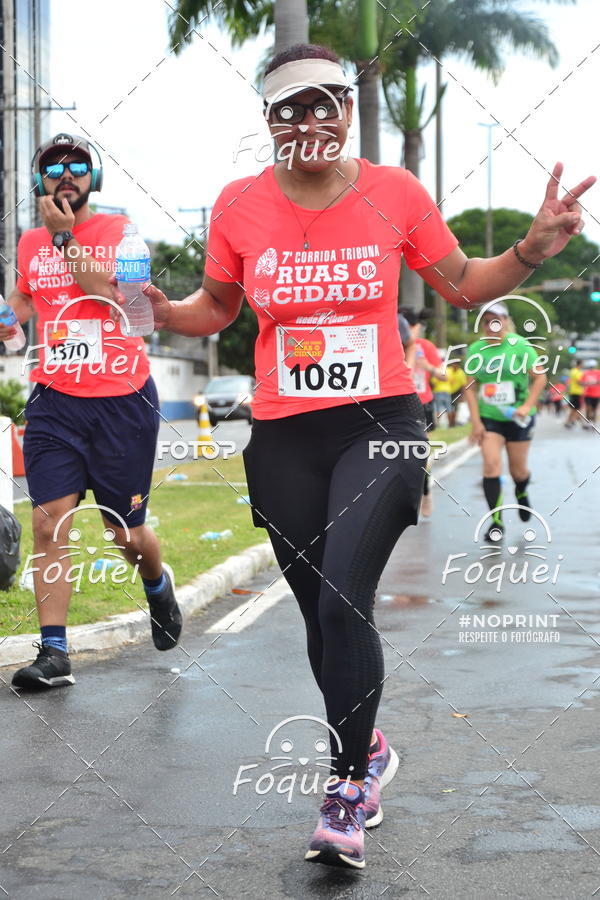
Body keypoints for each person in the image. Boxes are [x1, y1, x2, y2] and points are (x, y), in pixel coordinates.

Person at [113, 44, 594, 870]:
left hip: (382, 424)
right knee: (322, 619)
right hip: (284, 436)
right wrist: (163, 308)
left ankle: (345, 787)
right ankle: (366, 746)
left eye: (325, 101)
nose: (310, 120)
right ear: (268, 121)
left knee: (342, 600)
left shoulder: (394, 193)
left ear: (345, 106)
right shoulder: (237, 205)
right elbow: (217, 308)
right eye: (290, 107)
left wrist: (530, 251)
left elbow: (463, 285)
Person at [2, 133, 182, 692]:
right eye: (52, 168)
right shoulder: (31, 242)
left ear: (93, 177)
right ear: (39, 181)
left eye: (77, 166)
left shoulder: (120, 233)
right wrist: (8, 319)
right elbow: (26, 304)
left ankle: (157, 582)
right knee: (47, 520)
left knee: (122, 533)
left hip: (122, 402)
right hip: (55, 401)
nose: (65, 175)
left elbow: (117, 298)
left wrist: (63, 239)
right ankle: (54, 652)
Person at [463, 302, 547, 542]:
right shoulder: (476, 350)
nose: (491, 325)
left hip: (519, 419)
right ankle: (496, 522)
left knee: (518, 470)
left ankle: (521, 490)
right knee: (491, 466)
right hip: (490, 417)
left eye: (496, 320)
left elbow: (540, 378)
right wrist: (476, 421)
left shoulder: (521, 346)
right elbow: (469, 386)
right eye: (487, 321)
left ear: (506, 321)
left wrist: (527, 405)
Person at [401, 307, 446, 517]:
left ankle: (426, 492)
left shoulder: (425, 346)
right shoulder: (392, 344)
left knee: (420, 452)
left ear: (416, 326)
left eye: (410, 327)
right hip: (397, 404)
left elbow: (443, 375)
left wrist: (427, 366)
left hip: (422, 403)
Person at [447, 360, 468, 427]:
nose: (454, 365)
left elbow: (463, 385)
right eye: (453, 364)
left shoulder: (461, 373)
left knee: (455, 408)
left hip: (456, 392)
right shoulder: (448, 371)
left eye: (456, 364)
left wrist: (463, 396)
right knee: (449, 408)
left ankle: (453, 423)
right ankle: (450, 423)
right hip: (448, 392)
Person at [565, 359, 584, 428]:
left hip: (573, 392)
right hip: (577, 392)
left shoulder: (573, 371)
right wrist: (587, 383)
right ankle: (569, 421)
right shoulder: (577, 372)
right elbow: (580, 382)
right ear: (580, 364)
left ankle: (571, 421)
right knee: (576, 408)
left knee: (575, 408)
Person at [581, 359, 600, 428]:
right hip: (588, 394)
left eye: (593, 366)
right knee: (588, 408)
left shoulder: (598, 372)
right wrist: (585, 383)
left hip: (597, 394)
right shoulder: (586, 373)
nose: (592, 368)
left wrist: (595, 382)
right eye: (591, 366)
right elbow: (581, 382)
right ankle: (588, 422)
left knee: (594, 409)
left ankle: (594, 422)